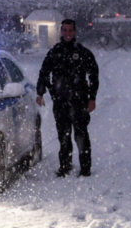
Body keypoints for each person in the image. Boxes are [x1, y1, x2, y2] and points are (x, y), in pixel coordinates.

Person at [36, 18, 99, 177]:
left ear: (75, 32)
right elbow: (44, 72)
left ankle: (85, 168)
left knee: (81, 136)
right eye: (65, 30)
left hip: (79, 102)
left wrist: (92, 98)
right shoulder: (55, 52)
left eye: (70, 30)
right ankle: (65, 166)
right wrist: (41, 92)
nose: (68, 33)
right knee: (63, 136)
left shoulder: (83, 53)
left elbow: (94, 75)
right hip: (60, 102)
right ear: (61, 32)